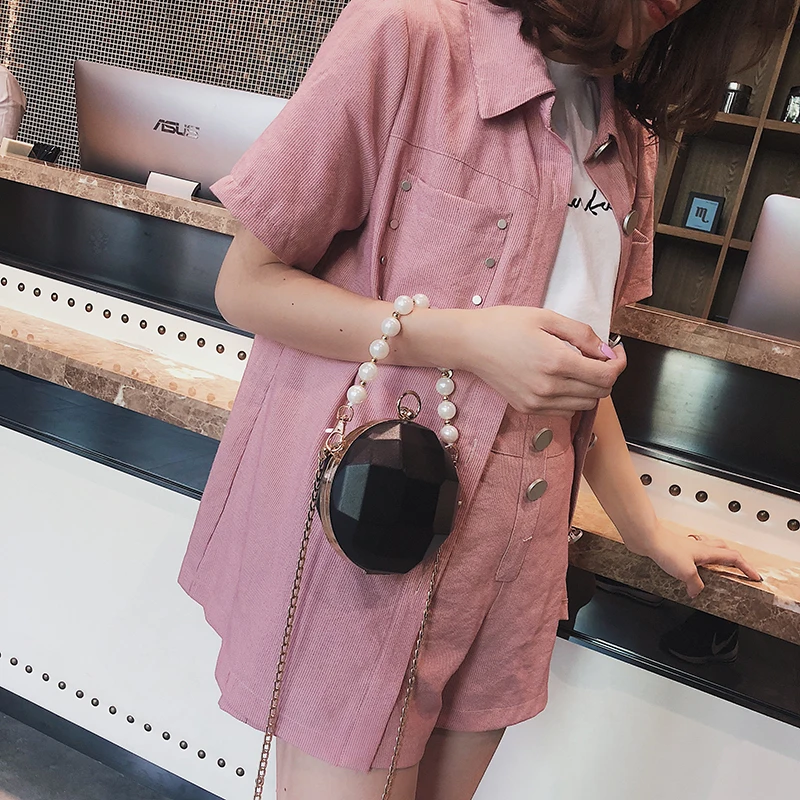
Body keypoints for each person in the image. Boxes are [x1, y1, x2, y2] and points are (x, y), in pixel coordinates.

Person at [177, 1, 791, 798]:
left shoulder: (629, 135)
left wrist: (647, 529)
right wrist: (465, 341)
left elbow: (577, 368)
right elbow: (246, 284)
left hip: (515, 558)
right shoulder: (411, 35)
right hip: (381, 530)